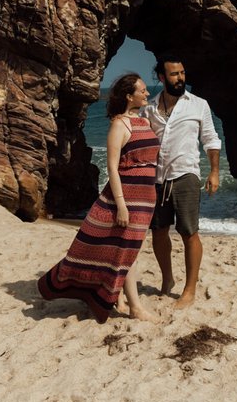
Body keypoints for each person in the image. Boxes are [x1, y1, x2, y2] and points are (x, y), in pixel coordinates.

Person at [38, 73, 158, 323]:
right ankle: (135, 307)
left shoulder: (144, 121)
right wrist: (121, 205)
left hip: (146, 197)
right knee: (127, 251)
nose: (147, 93)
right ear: (129, 96)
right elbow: (113, 168)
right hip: (128, 198)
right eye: (143, 90)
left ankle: (120, 298)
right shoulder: (119, 125)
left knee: (129, 250)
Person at [143, 56, 222, 309]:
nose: (180, 78)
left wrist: (214, 172)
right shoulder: (149, 109)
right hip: (156, 177)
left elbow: (211, 139)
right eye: (174, 74)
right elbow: (139, 141)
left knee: (189, 232)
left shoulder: (198, 104)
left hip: (186, 174)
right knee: (158, 231)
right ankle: (167, 279)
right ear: (162, 77)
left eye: (182, 73)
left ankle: (189, 290)